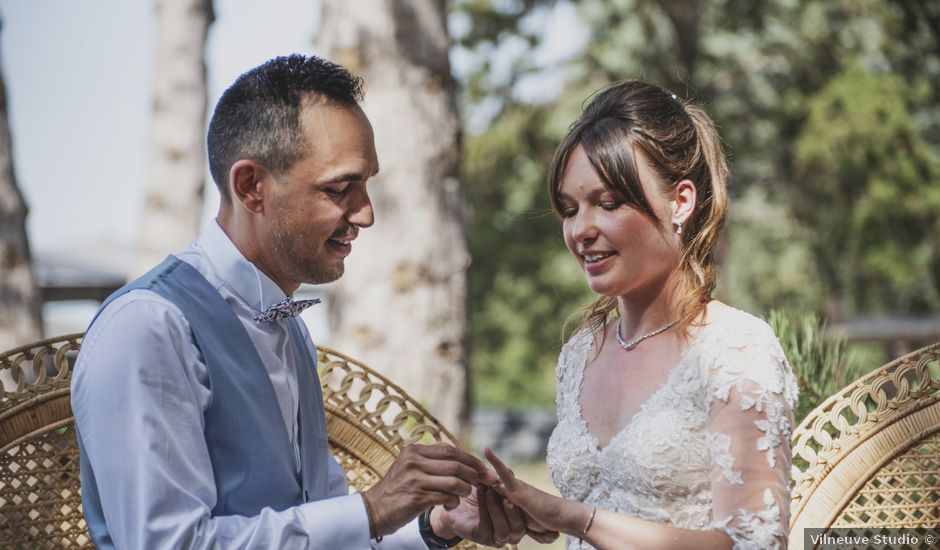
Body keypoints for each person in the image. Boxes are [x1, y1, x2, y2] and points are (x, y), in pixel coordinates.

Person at [72, 54, 536, 549]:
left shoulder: (289, 327)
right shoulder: (147, 327)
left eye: (367, 184)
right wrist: (372, 509)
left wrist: (434, 526)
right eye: (340, 189)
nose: (366, 214)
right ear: (251, 186)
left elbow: (324, 531)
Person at [484, 80, 799, 549]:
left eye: (608, 203)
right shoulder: (580, 354)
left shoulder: (736, 352)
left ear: (681, 201)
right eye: (570, 210)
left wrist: (578, 519)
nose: (581, 231)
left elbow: (754, 543)